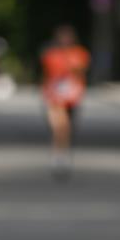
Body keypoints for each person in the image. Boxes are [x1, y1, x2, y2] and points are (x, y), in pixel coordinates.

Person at [40, 25, 90, 178]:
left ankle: (65, 153)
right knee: (58, 125)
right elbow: (46, 74)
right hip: (55, 96)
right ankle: (57, 155)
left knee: (67, 127)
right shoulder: (50, 54)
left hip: (72, 96)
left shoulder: (80, 53)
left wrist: (72, 66)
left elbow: (82, 71)